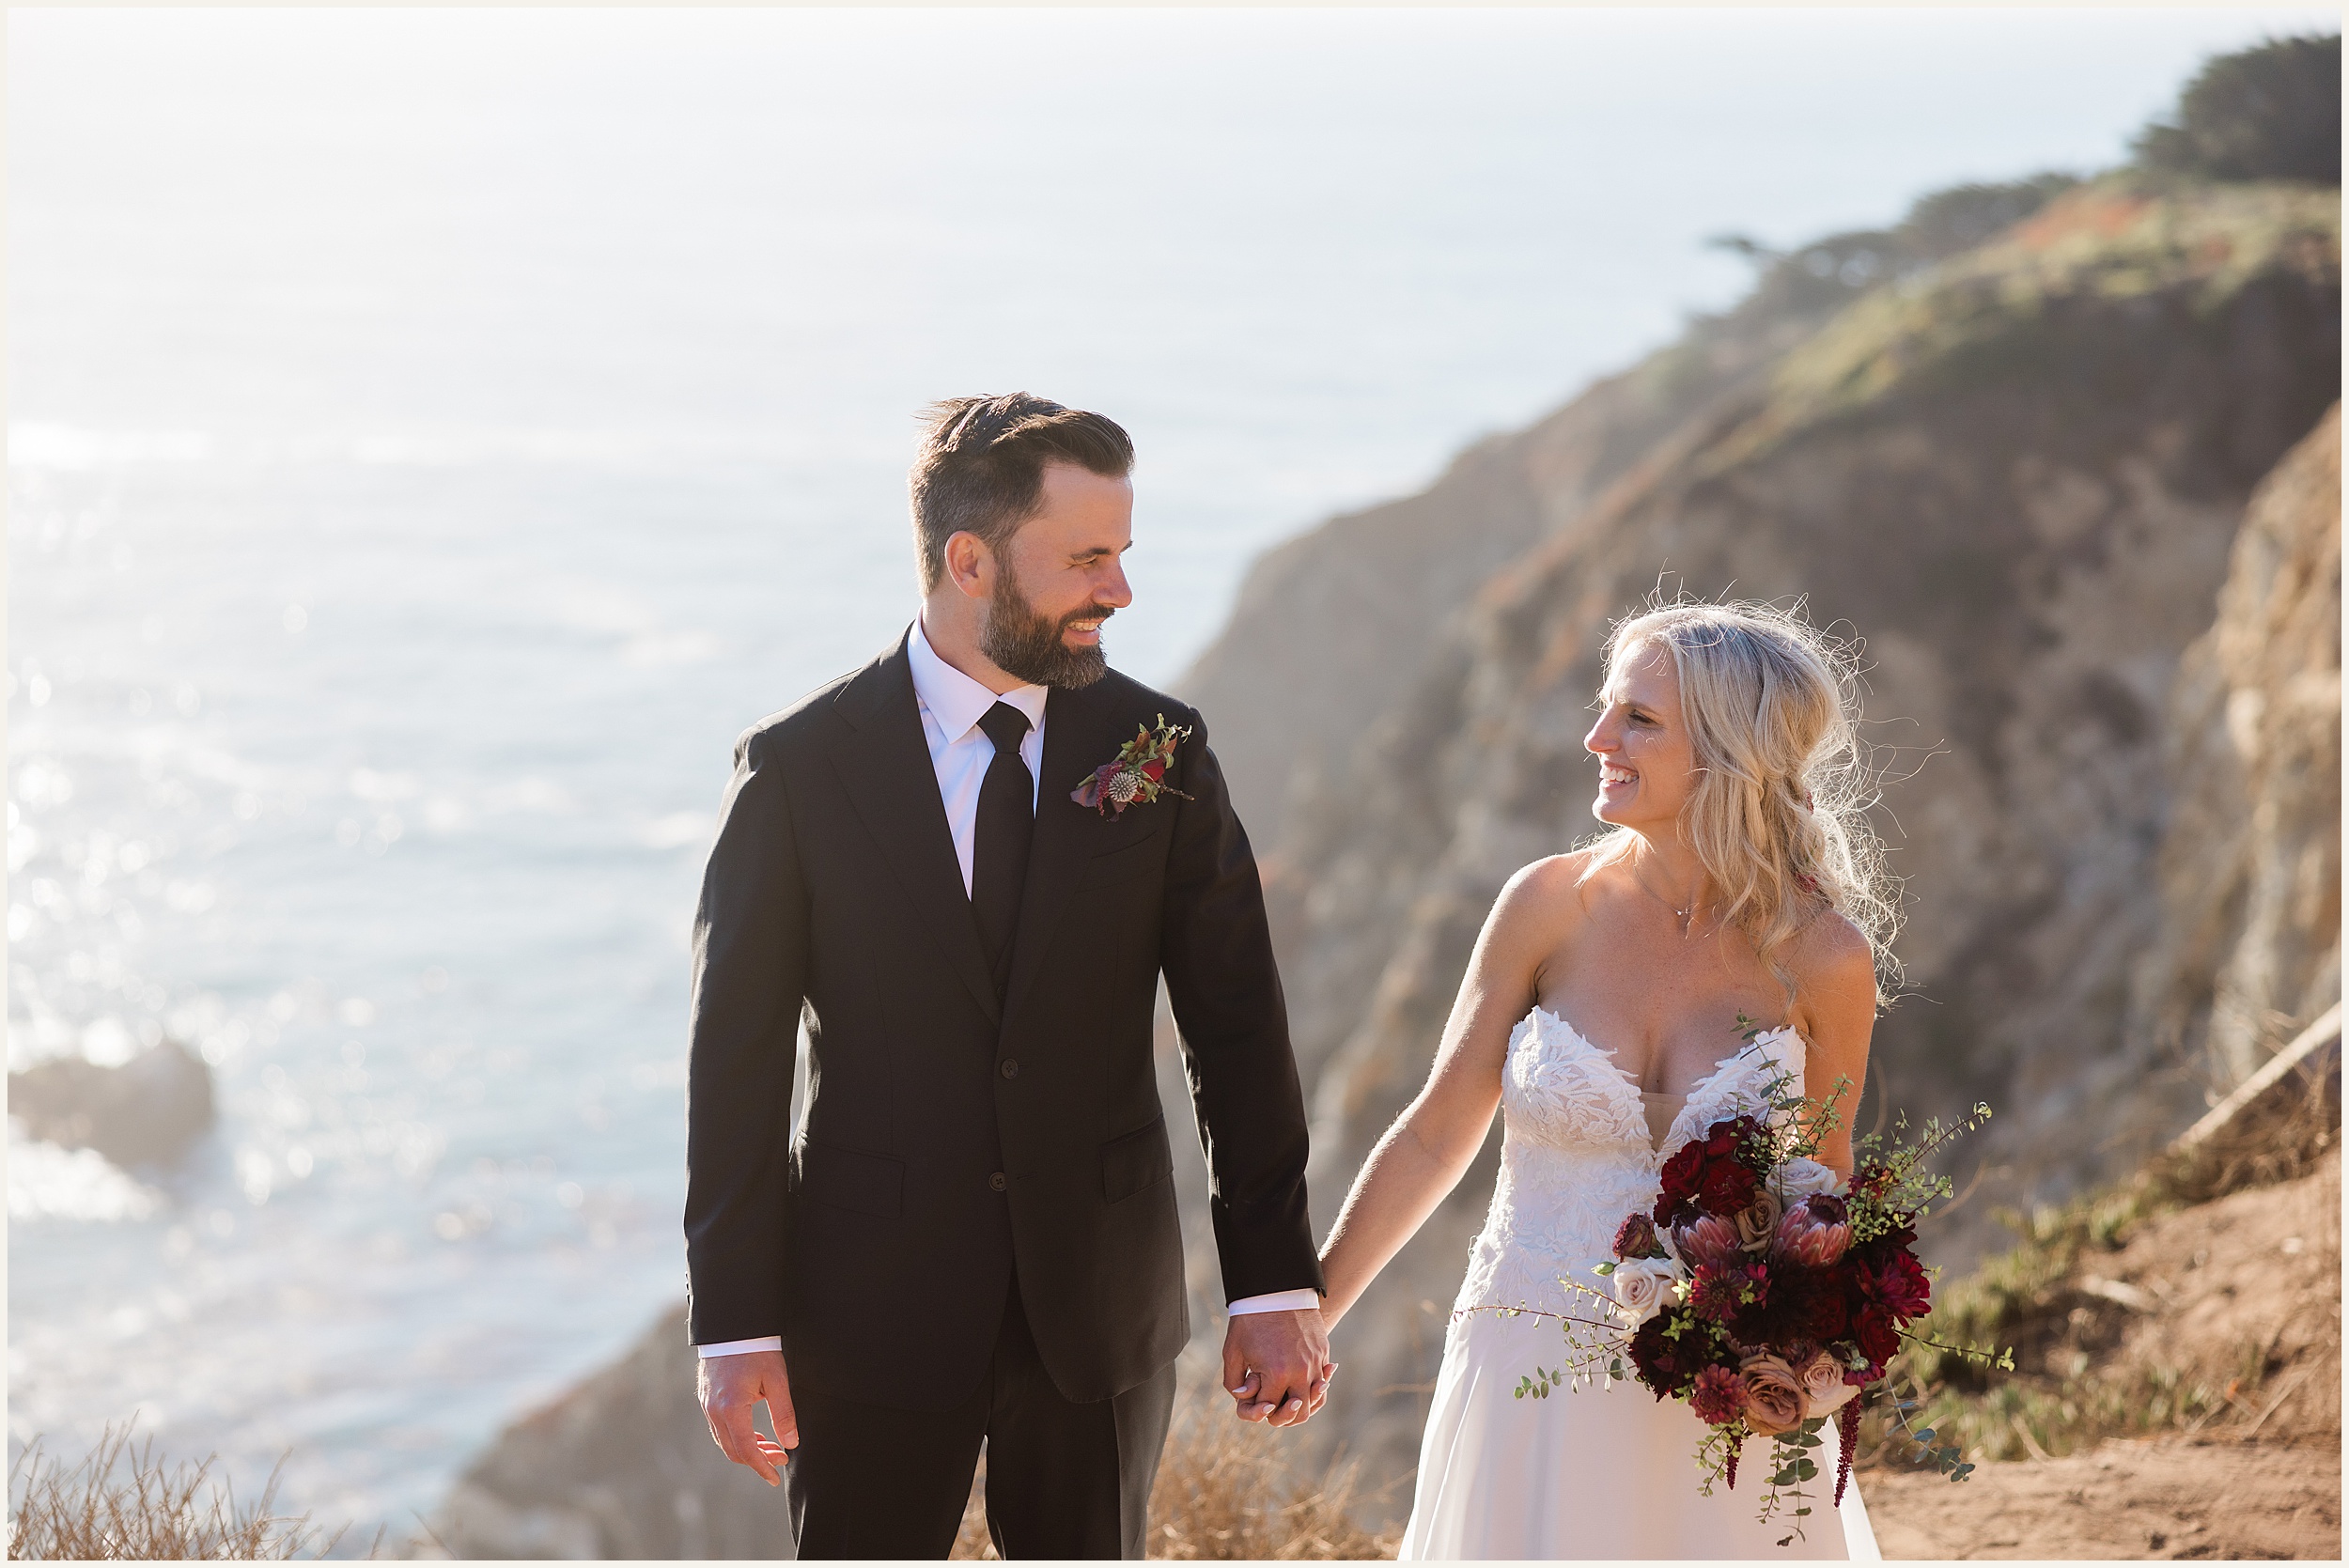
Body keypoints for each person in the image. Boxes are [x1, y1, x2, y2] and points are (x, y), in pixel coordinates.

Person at [681, 394, 1330, 1560]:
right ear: (969, 560)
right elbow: (733, 1063)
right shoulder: (795, 771)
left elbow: (1233, 1027)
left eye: (1123, 555)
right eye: (1087, 559)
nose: (1119, 591)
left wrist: (1272, 1282)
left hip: (1099, 1310)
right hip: (869, 1304)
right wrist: (732, 1325)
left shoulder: (1160, 751)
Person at [1316, 599, 1895, 1560]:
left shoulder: (1824, 958)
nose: (1595, 738)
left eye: (1637, 718)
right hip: (1525, 1377)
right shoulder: (1546, 904)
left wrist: (1794, 1352)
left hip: (1720, 1407)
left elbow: (1820, 1191)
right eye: (1605, 709)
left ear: (1727, 748)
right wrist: (1310, 1312)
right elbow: (1433, 1131)